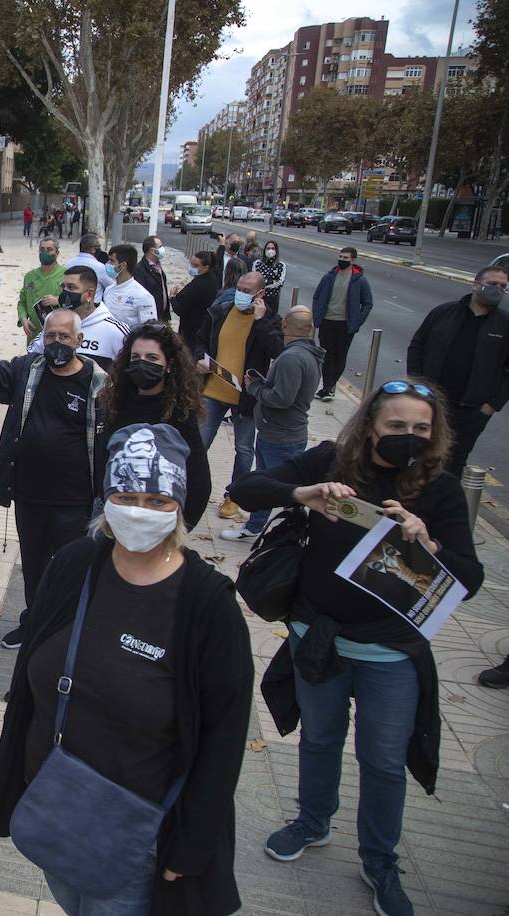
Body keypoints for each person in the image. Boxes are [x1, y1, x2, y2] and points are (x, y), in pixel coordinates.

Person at [0, 423, 254, 916]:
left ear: (179, 508)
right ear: (106, 497)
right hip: (56, 807)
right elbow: (28, 682)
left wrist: (190, 847)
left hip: (135, 834)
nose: (139, 511)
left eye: (157, 501)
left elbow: (223, 737)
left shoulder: (207, 606)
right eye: (125, 495)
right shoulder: (75, 565)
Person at [230, 381, 483, 916]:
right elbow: (249, 489)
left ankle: (380, 859)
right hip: (318, 636)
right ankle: (313, 821)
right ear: (370, 424)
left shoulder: (439, 489)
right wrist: (302, 493)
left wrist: (428, 543)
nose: (408, 437)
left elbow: (469, 578)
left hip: (390, 652)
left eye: (421, 428)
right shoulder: (332, 461)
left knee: (384, 761)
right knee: (319, 739)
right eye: (396, 426)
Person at [0, 308, 107, 651]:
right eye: (50, 336)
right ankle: (33, 622)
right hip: (29, 495)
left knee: (69, 569)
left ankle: (64, 632)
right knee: (34, 566)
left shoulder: (100, 385)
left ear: (79, 341)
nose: (56, 343)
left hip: (75, 500)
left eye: (64, 337)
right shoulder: (27, 370)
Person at [220, 307, 323, 541]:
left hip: (282, 437)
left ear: (285, 324)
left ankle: (294, 534)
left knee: (284, 491)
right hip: (276, 432)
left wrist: (255, 387)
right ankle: (259, 527)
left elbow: (281, 398)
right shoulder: (302, 354)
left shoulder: (292, 357)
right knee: (270, 484)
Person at [97, 322, 210, 530]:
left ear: (168, 365)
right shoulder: (116, 404)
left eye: (152, 358)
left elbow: (198, 480)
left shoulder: (180, 414)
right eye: (135, 358)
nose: (142, 364)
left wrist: (178, 528)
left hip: (156, 523)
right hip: (112, 516)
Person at [194, 270, 282, 520]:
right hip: (212, 391)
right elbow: (200, 341)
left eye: (246, 291)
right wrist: (199, 358)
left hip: (246, 398)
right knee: (200, 444)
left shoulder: (270, 320)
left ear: (260, 294)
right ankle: (193, 489)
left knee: (244, 449)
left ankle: (234, 496)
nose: (240, 295)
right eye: (238, 288)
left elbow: (276, 349)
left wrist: (261, 321)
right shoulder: (220, 311)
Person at [406, 265, 509, 475]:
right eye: (492, 284)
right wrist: (416, 384)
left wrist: (492, 405)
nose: (497, 289)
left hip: (472, 410)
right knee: (421, 453)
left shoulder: (504, 324)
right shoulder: (444, 313)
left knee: (454, 461)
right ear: (476, 284)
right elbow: (418, 346)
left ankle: (443, 504)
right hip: (431, 403)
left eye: (503, 286)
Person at [31, 265, 128, 371]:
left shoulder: (115, 331)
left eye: (71, 287)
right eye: (63, 287)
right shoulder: (54, 323)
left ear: (89, 294)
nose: (65, 292)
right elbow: (32, 357)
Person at [311, 247, 374, 402]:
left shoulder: (360, 280)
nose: (342, 260)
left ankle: (329, 387)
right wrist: (317, 315)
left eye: (346, 258)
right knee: (327, 355)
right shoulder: (329, 276)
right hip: (327, 321)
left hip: (345, 325)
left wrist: (358, 321)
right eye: (340, 257)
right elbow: (317, 297)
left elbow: (367, 303)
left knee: (340, 356)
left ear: (353, 260)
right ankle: (327, 388)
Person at [17, 237, 65, 342]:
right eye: (42, 249)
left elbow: (74, 302)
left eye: (49, 249)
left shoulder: (66, 275)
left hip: (58, 335)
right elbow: (22, 302)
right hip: (34, 334)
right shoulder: (29, 276)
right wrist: (23, 319)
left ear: (57, 253)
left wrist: (58, 300)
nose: (45, 252)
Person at [103, 244, 157, 329]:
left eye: (112, 261)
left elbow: (149, 330)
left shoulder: (143, 296)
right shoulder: (108, 290)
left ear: (123, 265)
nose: (107, 264)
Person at [172, 250, 219, 346]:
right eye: (191, 264)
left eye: (196, 266)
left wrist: (172, 297)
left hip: (191, 331)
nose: (192, 268)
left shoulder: (197, 285)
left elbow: (180, 309)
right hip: (203, 327)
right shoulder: (212, 279)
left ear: (206, 267)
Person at [133, 235, 171, 323]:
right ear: (152, 250)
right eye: (160, 247)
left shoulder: (158, 265)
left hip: (162, 316)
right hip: (151, 318)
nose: (163, 249)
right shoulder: (140, 270)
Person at [64, 232, 110, 300]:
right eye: (99, 246)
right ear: (93, 250)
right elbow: (111, 286)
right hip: (93, 306)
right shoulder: (100, 267)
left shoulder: (68, 264)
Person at [252, 240, 288, 312]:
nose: (270, 250)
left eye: (272, 248)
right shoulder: (258, 263)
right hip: (258, 297)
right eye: (268, 248)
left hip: (272, 298)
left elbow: (279, 282)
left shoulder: (280, 265)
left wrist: (264, 285)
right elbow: (254, 278)